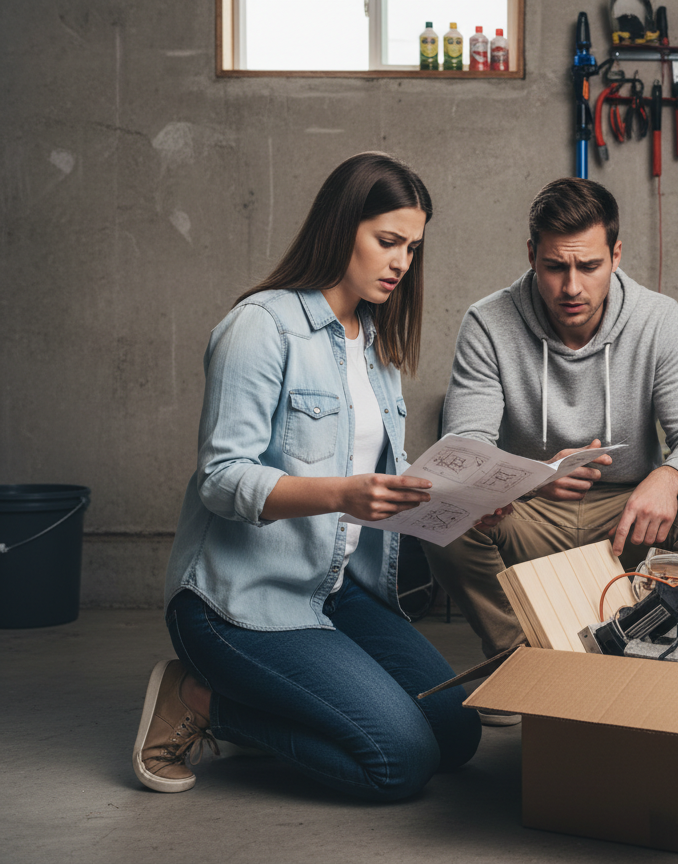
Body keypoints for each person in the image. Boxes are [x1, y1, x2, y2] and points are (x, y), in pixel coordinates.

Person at [132, 153, 482, 799]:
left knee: (457, 737)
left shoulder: (376, 342)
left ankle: (288, 706)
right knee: (399, 763)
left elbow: (388, 478)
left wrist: (469, 500)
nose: (401, 261)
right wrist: (340, 494)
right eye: (387, 241)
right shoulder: (260, 328)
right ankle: (202, 701)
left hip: (336, 590)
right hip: (238, 604)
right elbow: (221, 477)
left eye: (411, 247)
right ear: (340, 226)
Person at [424, 177, 678, 697]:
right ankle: (524, 667)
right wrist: (529, 481)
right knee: (444, 511)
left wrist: (666, 478)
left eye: (589, 266)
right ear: (532, 255)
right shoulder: (488, 323)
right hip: (532, 512)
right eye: (555, 266)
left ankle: (659, 649)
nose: (571, 287)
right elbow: (465, 449)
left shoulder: (658, 319)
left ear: (616, 255)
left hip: (630, 517)